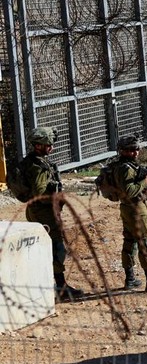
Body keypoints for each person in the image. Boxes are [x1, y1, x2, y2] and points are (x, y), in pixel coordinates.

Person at [21, 127, 84, 301]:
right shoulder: (38, 167)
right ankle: (60, 289)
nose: (51, 146)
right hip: (44, 212)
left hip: (36, 211)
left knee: (45, 247)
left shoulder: (32, 161)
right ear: (38, 145)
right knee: (56, 248)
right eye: (48, 143)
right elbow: (41, 193)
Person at [112, 136, 147, 292]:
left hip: (128, 208)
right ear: (122, 151)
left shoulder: (123, 166)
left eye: (137, 149)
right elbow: (130, 191)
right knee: (144, 243)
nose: (135, 152)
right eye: (131, 150)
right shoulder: (125, 168)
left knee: (130, 241)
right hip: (135, 209)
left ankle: (130, 279)